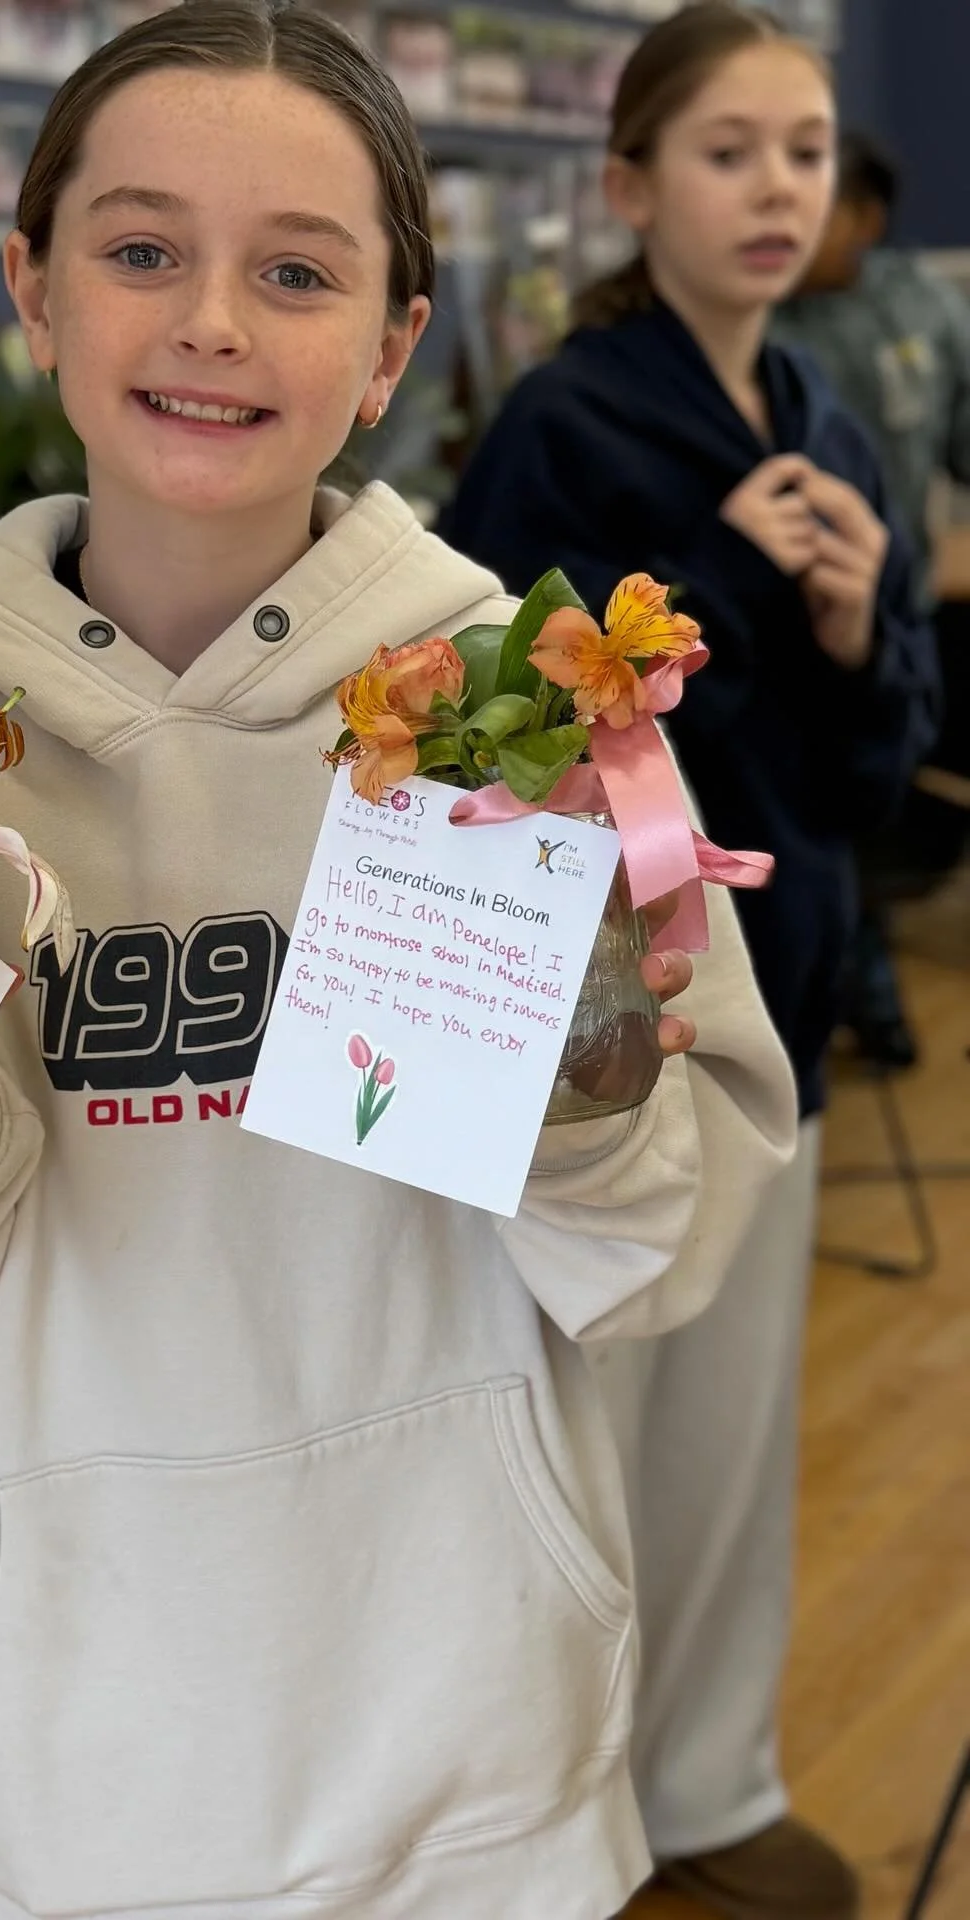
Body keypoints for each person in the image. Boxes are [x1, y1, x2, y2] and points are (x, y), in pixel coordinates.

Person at [0, 7, 795, 1918]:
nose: (213, 322)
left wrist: (589, 1091)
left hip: (488, 1771)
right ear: (34, 286)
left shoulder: (522, 712)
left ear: (393, 347)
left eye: (295, 272)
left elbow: (665, 1256)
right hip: (78, 1767)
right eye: (143, 249)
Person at [438, 7, 940, 1920]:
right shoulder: (568, 423)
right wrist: (727, 600)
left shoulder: (827, 417)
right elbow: (494, 744)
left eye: (804, 152)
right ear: (634, 187)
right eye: (729, 152)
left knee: (736, 1435)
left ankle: (709, 1776)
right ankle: (566, 1816)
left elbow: (875, 767)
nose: (775, 189)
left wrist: (841, 615)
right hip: (601, 1037)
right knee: (595, 1442)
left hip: (784, 1004)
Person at [775, 129, 970, 1066]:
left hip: (904, 618)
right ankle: (850, 991)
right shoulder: (757, 329)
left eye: (815, 189)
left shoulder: (926, 311)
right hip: (774, 633)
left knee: (883, 809)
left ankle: (870, 980)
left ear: (865, 215)